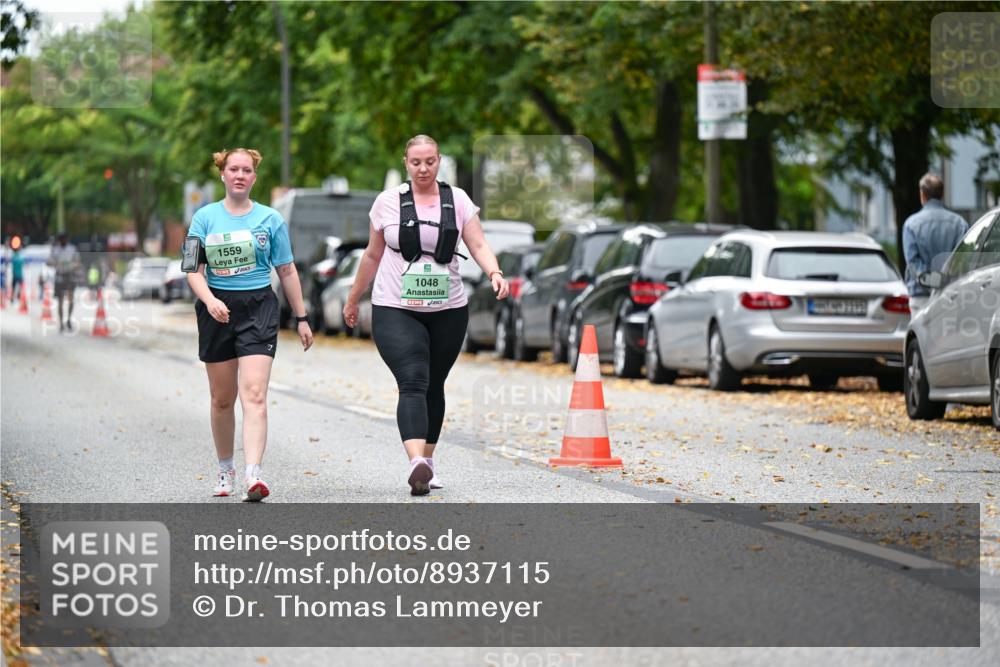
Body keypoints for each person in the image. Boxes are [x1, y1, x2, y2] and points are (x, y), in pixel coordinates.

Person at [343, 135, 510, 496]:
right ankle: (415, 460)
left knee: (434, 383)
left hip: (449, 309)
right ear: (406, 163)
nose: (423, 169)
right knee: (413, 378)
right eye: (416, 162)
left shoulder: (458, 200)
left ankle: (427, 464)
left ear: (439, 161)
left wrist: (494, 272)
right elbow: (372, 255)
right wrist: (354, 298)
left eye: (430, 161)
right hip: (395, 307)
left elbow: (478, 244)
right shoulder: (387, 202)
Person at [184, 147, 314, 502]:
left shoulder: (271, 219)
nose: (240, 175)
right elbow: (192, 270)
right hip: (216, 309)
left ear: (254, 177)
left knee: (254, 394)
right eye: (233, 169)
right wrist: (210, 300)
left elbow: (286, 270)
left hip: (258, 307)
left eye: (246, 170)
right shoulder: (204, 218)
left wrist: (302, 318)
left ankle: (253, 474)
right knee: (222, 399)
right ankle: (226, 469)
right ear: (222, 174)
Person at [902, 173, 968, 312]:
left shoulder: (911, 224)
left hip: (921, 295)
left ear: (922, 194)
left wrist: (932, 281)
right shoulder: (960, 224)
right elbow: (962, 260)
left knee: (920, 327)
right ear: (942, 194)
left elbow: (913, 262)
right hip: (950, 294)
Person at [47, 233, 81, 332]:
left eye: (65, 239)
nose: (63, 241)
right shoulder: (55, 250)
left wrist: (74, 266)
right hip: (60, 276)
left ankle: (69, 319)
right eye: (62, 239)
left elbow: (77, 261)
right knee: (60, 300)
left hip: (69, 275)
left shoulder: (72, 249)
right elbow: (49, 262)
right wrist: (55, 264)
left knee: (70, 299)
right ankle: (61, 322)